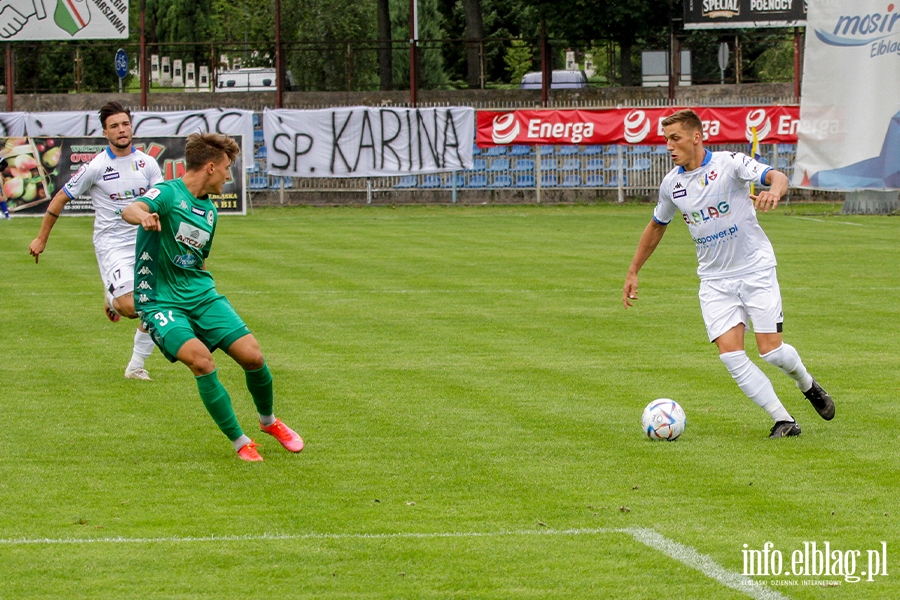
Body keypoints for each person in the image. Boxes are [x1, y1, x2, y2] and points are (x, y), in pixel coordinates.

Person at [622, 109, 835, 438]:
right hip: (715, 281)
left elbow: (776, 177)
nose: (668, 145)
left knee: (772, 351)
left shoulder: (730, 163)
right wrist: (633, 270)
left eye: (675, 138)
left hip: (755, 269)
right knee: (731, 355)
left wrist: (773, 192)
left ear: (696, 137)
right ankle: (784, 421)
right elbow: (656, 226)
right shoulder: (672, 184)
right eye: (665, 139)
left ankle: (807, 384)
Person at [122, 132, 303, 461]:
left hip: (201, 295)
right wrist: (144, 216)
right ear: (209, 167)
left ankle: (269, 422)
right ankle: (240, 442)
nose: (228, 176)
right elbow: (132, 208)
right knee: (201, 361)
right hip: (161, 301)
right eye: (226, 168)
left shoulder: (209, 212)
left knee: (253, 356)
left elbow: (198, 258)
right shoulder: (166, 193)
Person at [29, 101, 162, 380]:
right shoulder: (96, 167)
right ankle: (112, 296)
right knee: (129, 307)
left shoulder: (148, 164)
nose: (121, 130)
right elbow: (60, 198)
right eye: (114, 126)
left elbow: (161, 203)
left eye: (125, 124)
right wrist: (41, 239)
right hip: (112, 244)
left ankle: (136, 367)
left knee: (158, 304)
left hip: (146, 240)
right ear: (105, 132)